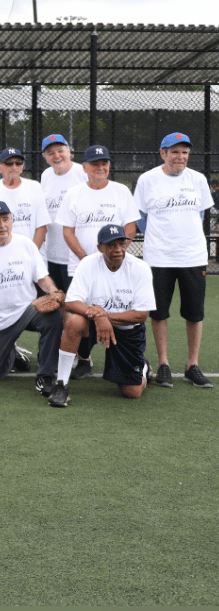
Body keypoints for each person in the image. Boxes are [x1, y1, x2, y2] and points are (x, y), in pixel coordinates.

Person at [133, 132, 214, 389]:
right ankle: (163, 365)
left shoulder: (198, 179)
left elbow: (201, 213)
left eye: (185, 152)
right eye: (175, 152)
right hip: (159, 257)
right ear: (163, 153)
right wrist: (161, 237)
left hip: (193, 256)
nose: (181, 157)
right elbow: (140, 216)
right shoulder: (147, 179)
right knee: (159, 313)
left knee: (195, 313)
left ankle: (192, 365)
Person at [0, 200, 64, 389]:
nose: (2, 225)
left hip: (27, 310)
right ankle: (11, 352)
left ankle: (45, 376)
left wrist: (53, 291)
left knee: (53, 318)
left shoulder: (26, 245)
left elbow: (42, 278)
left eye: (5, 219)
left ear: (11, 220)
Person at [57, 143, 139, 380]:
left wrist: (115, 254)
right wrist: (87, 260)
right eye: (95, 164)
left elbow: (130, 227)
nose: (100, 167)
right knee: (78, 317)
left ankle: (131, 357)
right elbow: (68, 232)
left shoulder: (121, 191)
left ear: (109, 166)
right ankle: (84, 360)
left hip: (116, 267)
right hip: (80, 267)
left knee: (118, 309)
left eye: (104, 163)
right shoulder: (74, 194)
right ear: (85, 167)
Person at [52, 224, 156, 407]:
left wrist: (105, 316)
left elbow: (141, 315)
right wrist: (98, 317)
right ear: (100, 248)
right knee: (74, 321)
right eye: (111, 245)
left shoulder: (140, 268)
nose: (118, 249)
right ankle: (61, 384)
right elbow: (71, 302)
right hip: (94, 324)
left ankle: (143, 368)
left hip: (127, 330)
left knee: (132, 392)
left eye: (121, 244)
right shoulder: (88, 264)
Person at [39, 134, 86, 291]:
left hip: (77, 256)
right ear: (46, 158)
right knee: (56, 301)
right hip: (52, 254)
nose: (57, 156)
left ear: (69, 152)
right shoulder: (46, 175)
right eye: (51, 153)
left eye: (60, 151)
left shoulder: (83, 172)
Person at [0, 146, 49, 248]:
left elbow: (42, 226)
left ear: (22, 168)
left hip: (31, 251)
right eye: (9, 163)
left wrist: (31, 252)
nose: (14, 167)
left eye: (18, 163)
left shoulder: (35, 187)